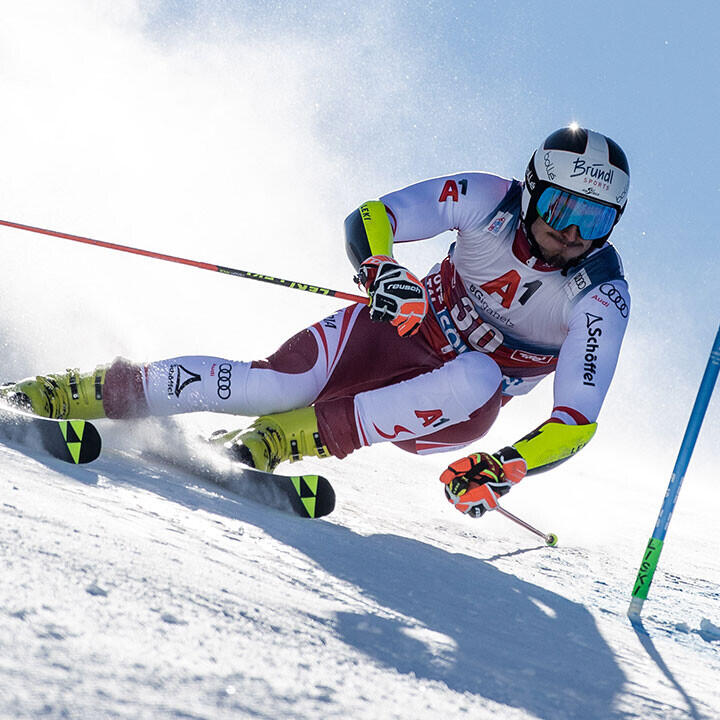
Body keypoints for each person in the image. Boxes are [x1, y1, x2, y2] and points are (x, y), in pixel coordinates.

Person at [1, 125, 631, 518]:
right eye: (561, 205)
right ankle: (61, 392)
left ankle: (279, 441)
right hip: (398, 330)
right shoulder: (487, 198)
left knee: (477, 374)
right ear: (532, 188)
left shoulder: (598, 294)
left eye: (596, 221)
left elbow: (575, 421)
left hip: (451, 408)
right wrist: (383, 271)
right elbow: (373, 214)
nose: (571, 232)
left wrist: (503, 466)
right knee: (275, 383)